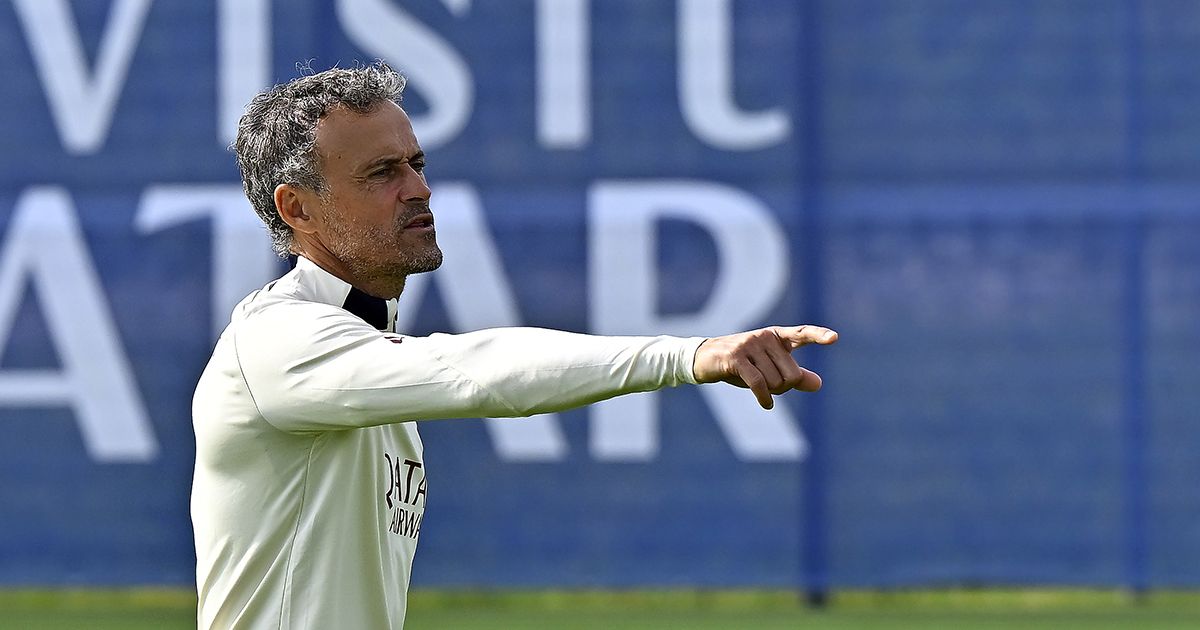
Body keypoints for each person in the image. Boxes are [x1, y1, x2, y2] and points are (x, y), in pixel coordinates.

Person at [191, 61, 837, 630]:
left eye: (416, 164)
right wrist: (687, 356)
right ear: (297, 208)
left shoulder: (361, 344)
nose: (418, 188)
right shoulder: (277, 339)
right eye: (382, 173)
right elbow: (473, 370)